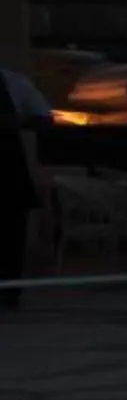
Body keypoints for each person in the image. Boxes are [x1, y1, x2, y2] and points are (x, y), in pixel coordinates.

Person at [0, 61, 50, 308]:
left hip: (9, 167)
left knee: (12, 231)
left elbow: (43, 117)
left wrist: (15, 122)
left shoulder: (15, 83)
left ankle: (10, 291)